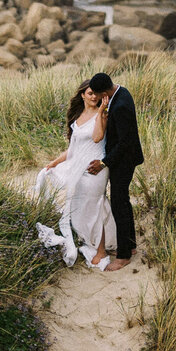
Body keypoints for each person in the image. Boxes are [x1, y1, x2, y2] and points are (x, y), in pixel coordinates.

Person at [34, 80, 117, 268]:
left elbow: (97, 137)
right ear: (82, 95)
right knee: (81, 207)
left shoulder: (102, 114)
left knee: (95, 206)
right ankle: (92, 241)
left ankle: (102, 251)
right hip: (78, 168)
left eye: (97, 93)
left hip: (96, 168)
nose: (94, 96)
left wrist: (101, 111)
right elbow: (73, 149)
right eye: (90, 93)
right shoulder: (78, 116)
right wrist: (54, 162)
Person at [84, 71, 143, 269]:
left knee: (119, 203)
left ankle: (124, 255)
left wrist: (104, 162)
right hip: (124, 158)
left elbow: (125, 142)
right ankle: (131, 245)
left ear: (104, 92)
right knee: (123, 201)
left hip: (123, 161)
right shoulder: (121, 92)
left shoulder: (121, 106)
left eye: (98, 94)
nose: (97, 98)